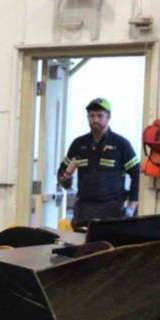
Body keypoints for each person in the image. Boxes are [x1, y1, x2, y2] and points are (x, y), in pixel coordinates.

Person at [58, 97, 139, 228]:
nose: (95, 119)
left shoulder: (121, 144)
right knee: (81, 247)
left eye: (100, 115)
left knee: (108, 247)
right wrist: (65, 178)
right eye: (91, 115)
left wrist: (131, 207)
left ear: (108, 117)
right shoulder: (79, 144)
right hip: (84, 210)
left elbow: (137, 175)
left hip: (112, 210)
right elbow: (62, 174)